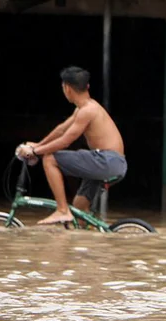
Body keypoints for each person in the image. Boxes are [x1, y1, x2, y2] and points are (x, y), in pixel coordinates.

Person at [17, 66, 127, 225]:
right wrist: (38, 145)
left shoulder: (87, 111)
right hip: (111, 162)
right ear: (87, 86)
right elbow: (62, 130)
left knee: (50, 158)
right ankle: (93, 239)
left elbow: (65, 141)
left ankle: (62, 210)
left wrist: (36, 151)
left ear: (67, 88)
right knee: (79, 210)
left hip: (106, 161)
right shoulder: (85, 107)